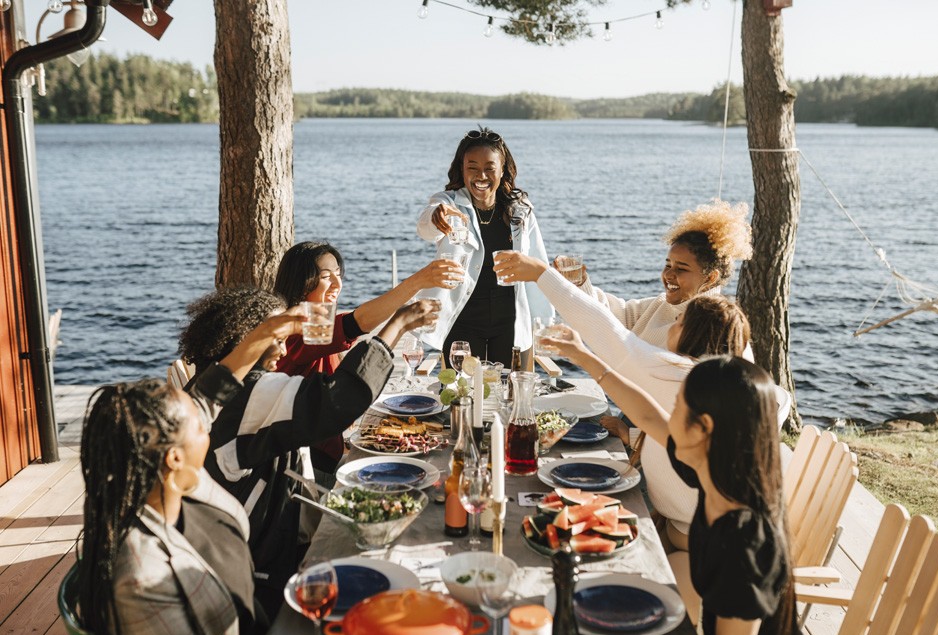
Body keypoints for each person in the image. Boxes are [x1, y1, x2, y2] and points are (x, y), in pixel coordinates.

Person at [495, 256, 790, 550]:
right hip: (697, 528)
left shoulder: (679, 375)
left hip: (708, 545)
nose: (671, 327)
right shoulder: (720, 388)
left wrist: (542, 274)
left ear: (695, 334)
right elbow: (652, 419)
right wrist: (631, 434)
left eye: (679, 322)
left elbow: (612, 337)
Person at [178, 287, 437, 619]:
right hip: (256, 565)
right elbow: (336, 400)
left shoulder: (209, 386)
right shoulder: (250, 395)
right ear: (247, 339)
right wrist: (398, 325)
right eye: (278, 336)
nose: (285, 347)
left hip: (233, 539)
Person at [540, 334, 800, 635]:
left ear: (703, 427)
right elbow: (647, 415)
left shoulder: (744, 543)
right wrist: (583, 355)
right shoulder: (712, 470)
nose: (668, 415)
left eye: (676, 407)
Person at [78, 310, 305, 635]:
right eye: (200, 427)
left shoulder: (164, 479)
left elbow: (212, 392)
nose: (208, 427)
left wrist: (269, 330)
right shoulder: (142, 579)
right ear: (174, 458)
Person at [272, 240, 462, 483]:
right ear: (301, 282)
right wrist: (417, 282)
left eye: (339, 275)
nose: (337, 285)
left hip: (328, 449)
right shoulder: (296, 332)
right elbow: (357, 322)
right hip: (306, 465)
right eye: (326, 276)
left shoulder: (313, 327)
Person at [416, 126, 552, 364]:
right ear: (462, 169)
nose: (481, 176)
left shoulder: (520, 208)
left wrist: (544, 324)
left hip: (511, 319)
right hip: (462, 320)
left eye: (490, 168)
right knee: (459, 394)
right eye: (473, 168)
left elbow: (537, 263)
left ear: (502, 171)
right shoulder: (448, 203)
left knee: (514, 394)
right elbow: (425, 228)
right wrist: (437, 215)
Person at [561, 199, 753, 349]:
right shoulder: (661, 305)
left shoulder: (712, 326)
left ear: (710, 277)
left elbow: (644, 362)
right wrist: (578, 283)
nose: (669, 274)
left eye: (681, 268)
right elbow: (619, 314)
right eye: (668, 264)